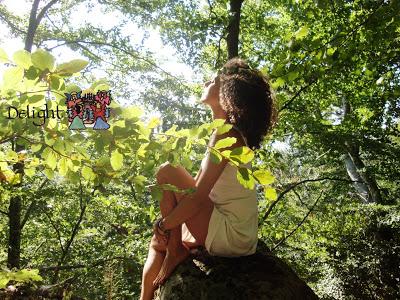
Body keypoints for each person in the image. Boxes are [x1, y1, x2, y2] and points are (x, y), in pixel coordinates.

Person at [139, 57, 278, 300]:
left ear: (227, 93)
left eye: (213, 80)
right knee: (156, 242)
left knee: (167, 170)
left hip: (231, 232)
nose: (206, 81)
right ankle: (149, 290)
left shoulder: (229, 137)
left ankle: (175, 250)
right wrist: (165, 226)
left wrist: (165, 223)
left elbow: (196, 197)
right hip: (224, 223)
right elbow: (191, 189)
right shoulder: (223, 133)